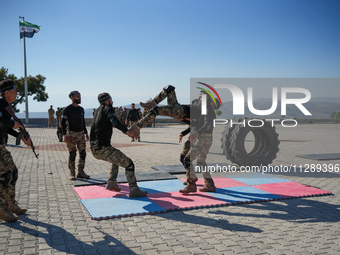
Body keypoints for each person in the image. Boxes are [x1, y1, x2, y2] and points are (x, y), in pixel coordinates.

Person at [90, 93, 148, 198]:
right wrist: (127, 132)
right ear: (107, 101)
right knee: (129, 164)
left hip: (94, 149)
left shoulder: (97, 110)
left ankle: (111, 182)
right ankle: (134, 189)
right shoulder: (108, 108)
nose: (112, 101)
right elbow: (115, 122)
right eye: (111, 99)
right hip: (103, 148)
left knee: (115, 159)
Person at [0, 79, 31, 223]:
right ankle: (3, 208)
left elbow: (5, 127)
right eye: (14, 92)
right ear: (6, 93)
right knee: (6, 174)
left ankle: (11, 204)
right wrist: (13, 123)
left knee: (13, 171)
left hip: (1, 144)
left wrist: (21, 136)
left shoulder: (6, 106)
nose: (17, 94)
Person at [178, 94, 218, 193]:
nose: (198, 98)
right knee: (201, 162)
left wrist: (197, 133)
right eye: (199, 96)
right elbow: (194, 125)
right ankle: (210, 185)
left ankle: (191, 184)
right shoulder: (202, 110)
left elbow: (208, 123)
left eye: (201, 97)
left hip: (203, 138)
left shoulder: (208, 110)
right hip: (203, 138)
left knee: (188, 159)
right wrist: (184, 126)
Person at [62, 91, 90, 180]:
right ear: (72, 98)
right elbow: (62, 123)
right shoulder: (67, 109)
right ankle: (72, 173)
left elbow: (83, 122)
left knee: (83, 153)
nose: (79, 98)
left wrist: (86, 133)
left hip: (81, 134)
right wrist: (64, 135)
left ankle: (80, 172)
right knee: (72, 153)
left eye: (80, 96)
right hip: (71, 134)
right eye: (77, 96)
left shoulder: (81, 109)